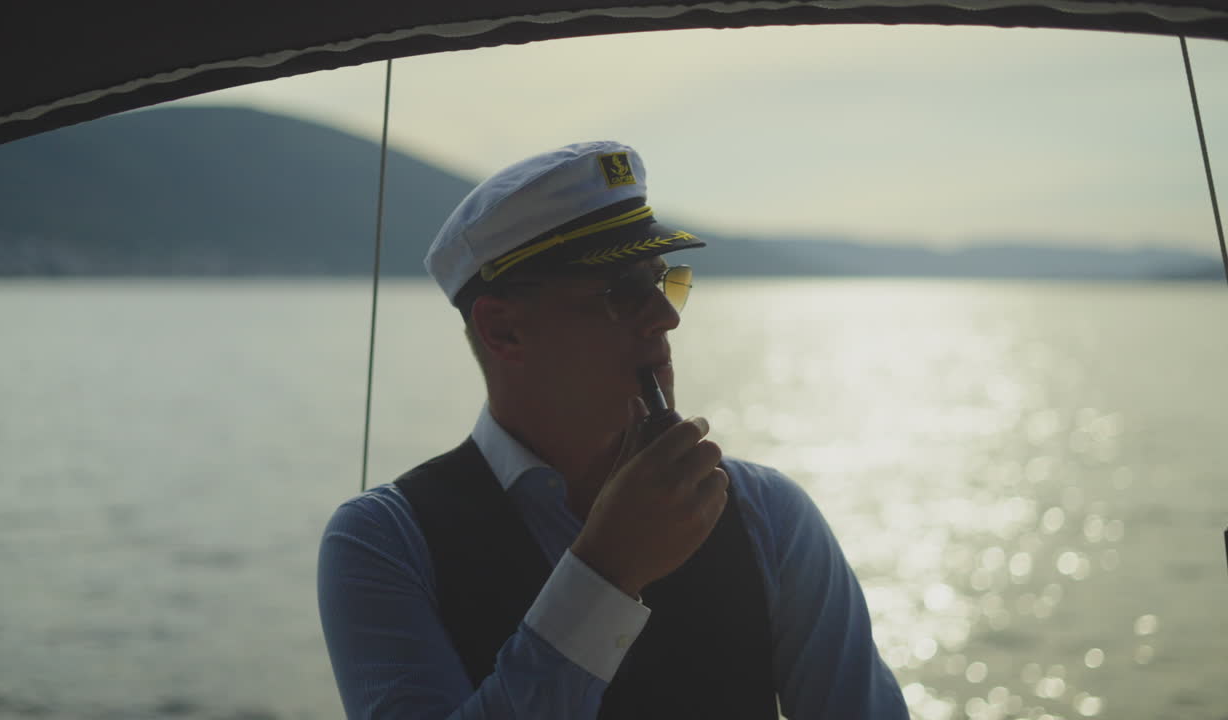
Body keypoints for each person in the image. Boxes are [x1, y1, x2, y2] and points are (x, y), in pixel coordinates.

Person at [317, 141, 908, 719]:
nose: (668, 315)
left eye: (664, 280)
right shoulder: (384, 543)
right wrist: (606, 574)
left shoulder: (771, 516)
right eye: (624, 292)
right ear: (504, 331)